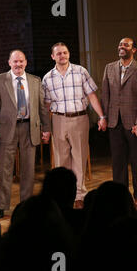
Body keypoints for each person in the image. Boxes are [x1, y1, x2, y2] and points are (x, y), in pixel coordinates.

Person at [0, 50, 50, 219]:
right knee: (4, 171)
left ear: (26, 62)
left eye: (21, 61)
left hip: (30, 129)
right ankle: (0, 206)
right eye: (15, 62)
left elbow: (42, 108)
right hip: (7, 130)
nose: (18, 64)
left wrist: (46, 128)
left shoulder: (35, 81)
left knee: (28, 170)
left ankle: (26, 205)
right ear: (9, 63)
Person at [42, 42, 107, 208]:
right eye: (58, 54)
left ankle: (79, 195)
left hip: (79, 119)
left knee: (79, 158)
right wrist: (45, 128)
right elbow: (46, 106)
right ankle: (64, 195)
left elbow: (92, 95)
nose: (62, 56)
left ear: (69, 54)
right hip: (58, 119)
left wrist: (101, 116)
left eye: (65, 52)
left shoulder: (80, 71)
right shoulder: (47, 78)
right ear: (53, 57)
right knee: (61, 160)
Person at [101, 37, 137, 208]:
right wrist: (105, 117)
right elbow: (105, 95)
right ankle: (120, 196)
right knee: (118, 162)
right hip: (114, 121)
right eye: (120, 44)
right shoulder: (109, 68)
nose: (122, 47)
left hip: (134, 123)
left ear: (134, 50)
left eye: (126, 45)